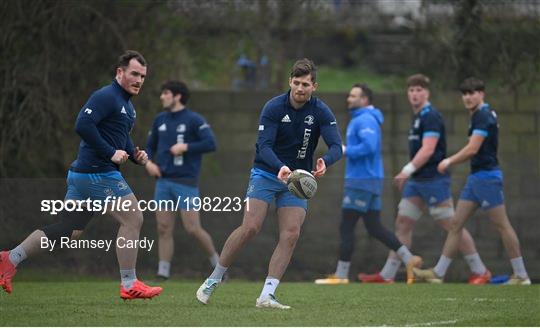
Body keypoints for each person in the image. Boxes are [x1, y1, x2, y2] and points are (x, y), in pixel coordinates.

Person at [0, 51, 163, 299]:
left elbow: (121, 137)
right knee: (133, 219)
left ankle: (10, 258)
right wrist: (110, 153)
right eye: (134, 74)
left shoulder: (128, 107)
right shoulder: (106, 96)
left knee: (68, 230)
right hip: (97, 173)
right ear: (120, 73)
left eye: (142, 76)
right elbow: (82, 125)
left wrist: (135, 155)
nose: (139, 80)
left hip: (82, 175)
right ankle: (129, 283)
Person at [196, 58, 342, 309]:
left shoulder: (321, 111)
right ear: (290, 82)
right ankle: (214, 278)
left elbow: (337, 146)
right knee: (251, 227)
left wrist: (325, 162)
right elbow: (263, 146)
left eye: (305, 84)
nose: (300, 88)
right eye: (296, 82)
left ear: (314, 86)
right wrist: (280, 167)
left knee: (291, 233)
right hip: (266, 172)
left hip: (297, 180)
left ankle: (267, 295)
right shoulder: (274, 107)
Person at [359, 74, 490, 284]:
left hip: (433, 180)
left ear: (427, 93)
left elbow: (428, 149)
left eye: (419, 90)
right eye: (411, 90)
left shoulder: (431, 116)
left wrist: (406, 170)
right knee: (402, 223)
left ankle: (480, 270)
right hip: (417, 182)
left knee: (451, 224)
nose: (414, 94)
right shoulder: (417, 116)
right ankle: (388, 274)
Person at [413, 77, 531, 285]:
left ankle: (521, 275)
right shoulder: (478, 115)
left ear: (481, 94)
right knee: (456, 224)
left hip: (487, 178)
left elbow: (473, 148)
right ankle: (438, 273)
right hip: (476, 178)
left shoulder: (483, 116)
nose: (467, 98)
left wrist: (448, 161)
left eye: (472, 93)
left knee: (502, 225)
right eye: (465, 94)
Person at [314, 84, 421, 285]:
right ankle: (409, 259)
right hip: (369, 181)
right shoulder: (365, 118)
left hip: (361, 182)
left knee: (347, 226)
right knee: (374, 227)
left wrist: (345, 149)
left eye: (353, 96)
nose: (349, 99)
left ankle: (342, 275)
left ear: (365, 100)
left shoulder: (364, 119)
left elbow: (369, 147)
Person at [145, 80, 221, 280]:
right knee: (163, 228)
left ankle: (219, 266)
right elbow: (149, 147)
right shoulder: (159, 120)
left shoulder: (194, 120)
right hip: (162, 182)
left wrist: (185, 147)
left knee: (192, 228)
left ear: (177, 96)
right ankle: (163, 272)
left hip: (186, 182)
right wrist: (148, 163)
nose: (162, 97)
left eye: (166, 93)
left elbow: (211, 143)